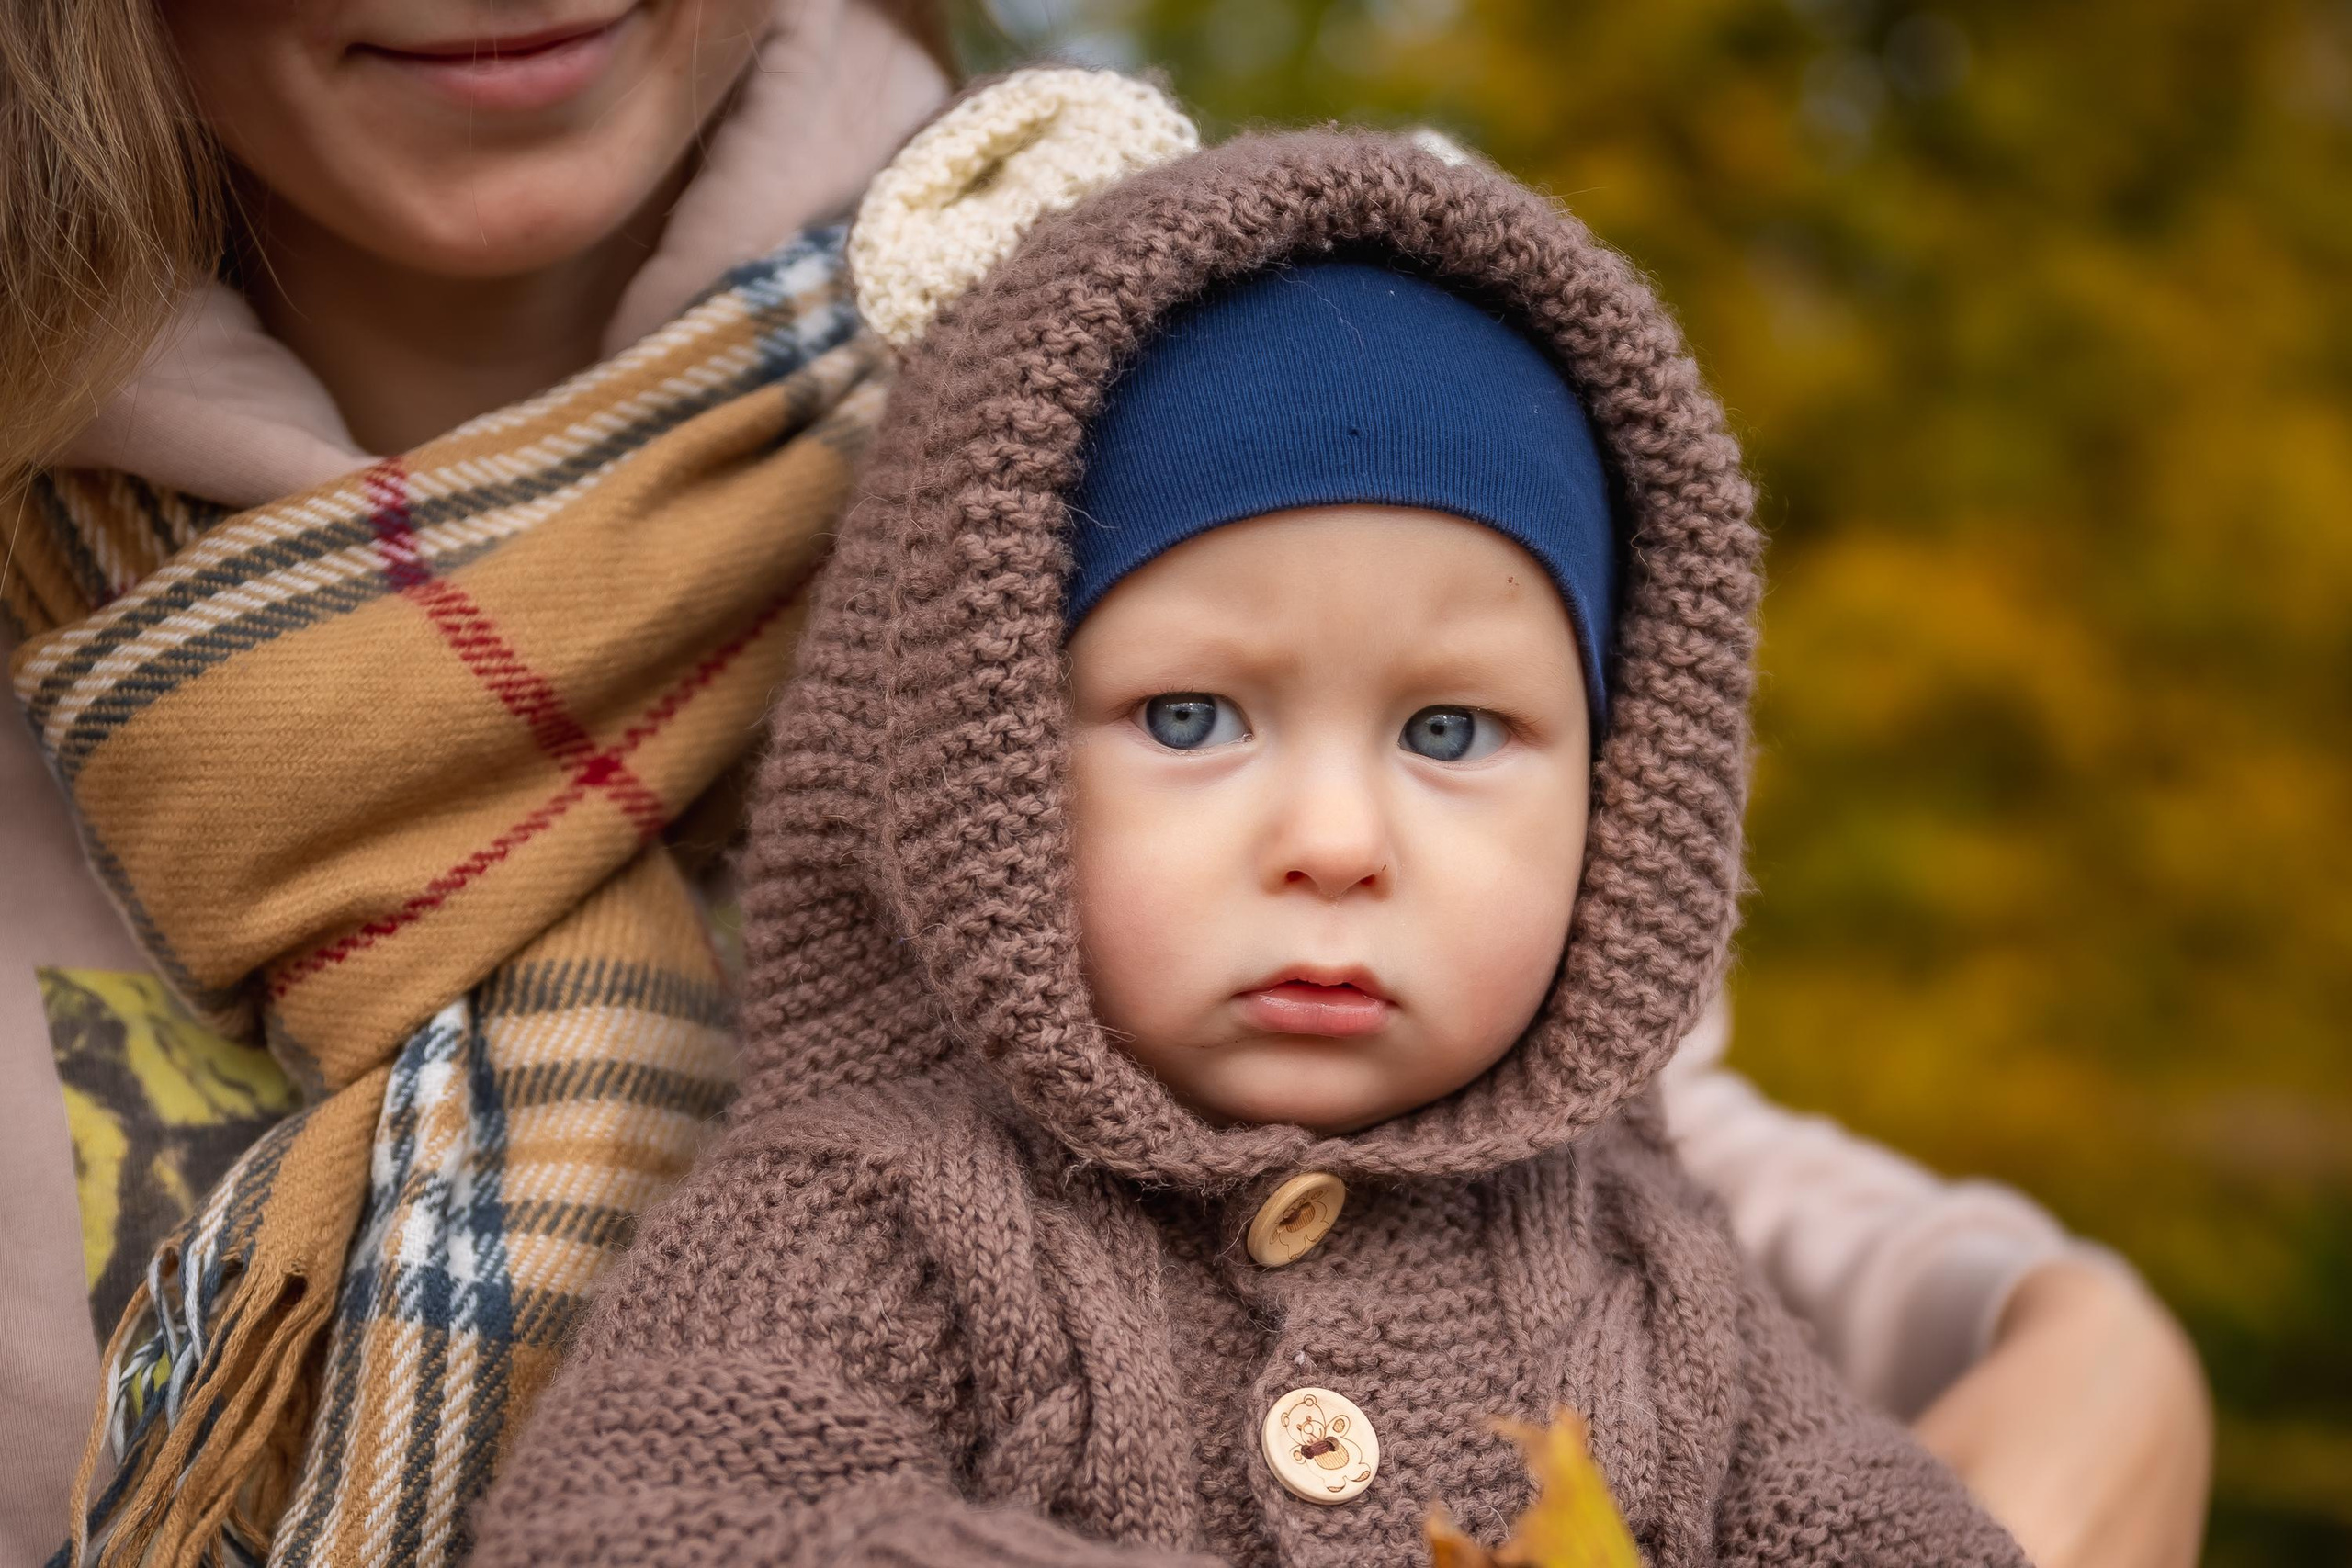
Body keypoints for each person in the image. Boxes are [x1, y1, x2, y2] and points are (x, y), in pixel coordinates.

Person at [0, 12, 2202, 1567]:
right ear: (947, 762)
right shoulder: (888, 1214)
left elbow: (1788, 1379)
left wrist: (2074, 1341)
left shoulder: (1629, 1251)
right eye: (1185, 719)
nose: (1332, 838)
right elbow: (671, 1510)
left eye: (1452, 737)